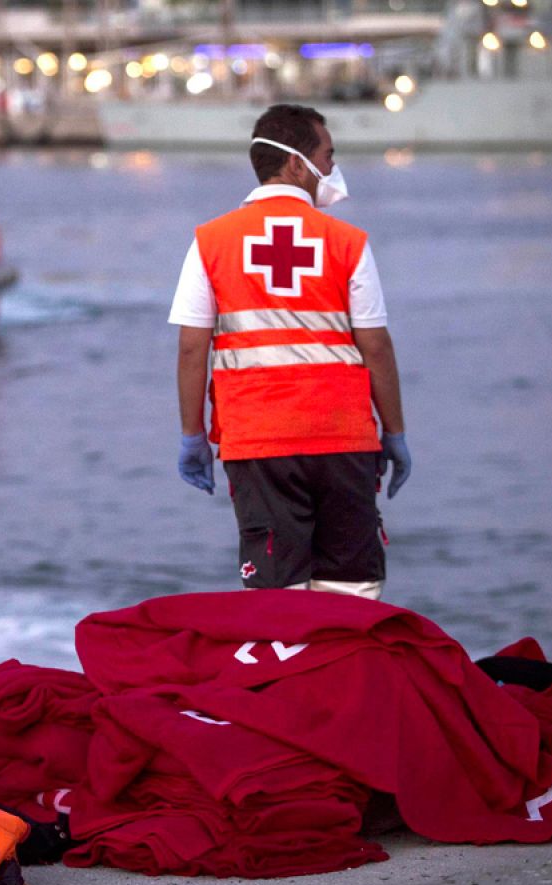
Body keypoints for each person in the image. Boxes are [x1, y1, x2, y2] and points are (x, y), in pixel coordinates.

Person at [170, 103, 411, 600]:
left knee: (275, 598)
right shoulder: (348, 243)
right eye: (328, 156)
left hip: (257, 443)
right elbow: (376, 347)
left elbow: (193, 347)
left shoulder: (210, 242)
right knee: (351, 589)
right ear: (297, 164)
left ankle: (282, 651)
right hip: (343, 440)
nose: (333, 167)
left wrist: (193, 435)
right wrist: (395, 431)